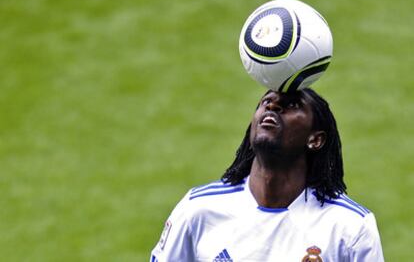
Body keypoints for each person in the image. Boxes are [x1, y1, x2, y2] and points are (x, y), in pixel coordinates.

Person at [150, 88, 384, 262]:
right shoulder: (198, 209)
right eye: (266, 102)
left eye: (292, 105)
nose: (273, 107)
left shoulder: (350, 227)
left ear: (315, 139)